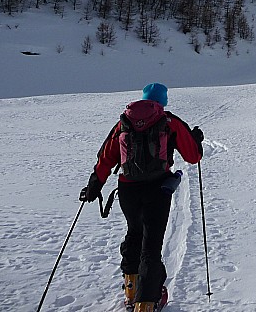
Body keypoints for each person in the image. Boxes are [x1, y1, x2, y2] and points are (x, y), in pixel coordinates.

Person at [80, 83, 204, 312]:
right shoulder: (169, 122)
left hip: (128, 191)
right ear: (162, 101)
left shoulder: (124, 122)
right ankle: (146, 302)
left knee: (134, 232)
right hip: (157, 190)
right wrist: (196, 140)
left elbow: (106, 156)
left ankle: (131, 288)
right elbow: (193, 156)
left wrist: (94, 185)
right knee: (151, 245)